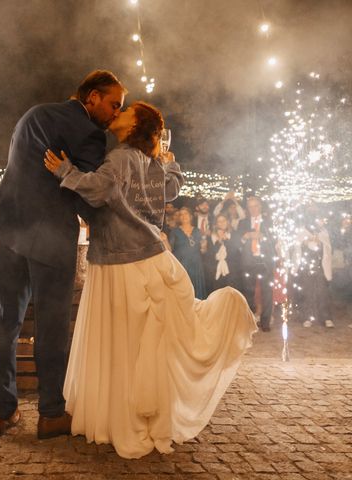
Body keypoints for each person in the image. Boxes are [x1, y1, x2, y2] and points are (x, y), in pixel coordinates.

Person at [44, 101, 257, 460]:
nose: (118, 114)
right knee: (142, 342)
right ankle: (136, 413)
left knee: (122, 341)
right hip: (152, 253)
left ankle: (119, 416)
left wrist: (65, 170)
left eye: (125, 113)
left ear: (136, 126)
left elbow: (100, 190)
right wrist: (171, 163)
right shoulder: (152, 162)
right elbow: (170, 190)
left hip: (121, 258)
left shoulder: (123, 157)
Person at [0, 70, 126, 439]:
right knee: (52, 327)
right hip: (48, 237)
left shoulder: (33, 114)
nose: (115, 114)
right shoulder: (90, 133)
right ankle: (50, 414)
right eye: (114, 104)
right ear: (92, 97)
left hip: (9, 227)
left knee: (5, 323)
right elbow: (90, 194)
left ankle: (2, 410)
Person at [236, 196, 276, 332]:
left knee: (267, 292)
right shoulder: (242, 223)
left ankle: (265, 323)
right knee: (248, 292)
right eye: (250, 207)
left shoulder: (269, 222)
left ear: (260, 207)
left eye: (255, 206)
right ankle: (249, 321)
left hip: (265, 261)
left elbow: (275, 241)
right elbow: (236, 244)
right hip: (248, 261)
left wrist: (263, 237)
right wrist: (245, 237)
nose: (253, 209)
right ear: (247, 209)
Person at [168, 206, 207, 299]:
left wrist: (204, 247)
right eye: (181, 214)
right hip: (182, 265)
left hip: (196, 266)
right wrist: (165, 240)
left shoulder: (197, 231)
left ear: (190, 216)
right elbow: (169, 251)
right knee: (183, 293)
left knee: (196, 293)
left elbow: (203, 251)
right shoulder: (175, 232)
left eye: (186, 214)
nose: (184, 216)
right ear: (179, 218)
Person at [208, 213, 242, 292]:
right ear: (216, 224)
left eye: (224, 220)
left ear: (228, 222)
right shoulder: (212, 236)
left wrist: (226, 241)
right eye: (219, 221)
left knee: (231, 294)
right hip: (216, 270)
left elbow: (235, 253)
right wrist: (218, 241)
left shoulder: (234, 234)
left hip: (232, 270)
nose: (222, 223)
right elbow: (210, 255)